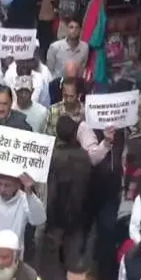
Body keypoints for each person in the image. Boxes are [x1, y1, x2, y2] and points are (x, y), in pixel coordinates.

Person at [44, 116, 92, 270]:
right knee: (74, 255)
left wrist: (49, 221)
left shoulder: (54, 158)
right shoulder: (85, 156)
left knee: (57, 261)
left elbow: (52, 192)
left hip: (59, 215)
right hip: (81, 214)